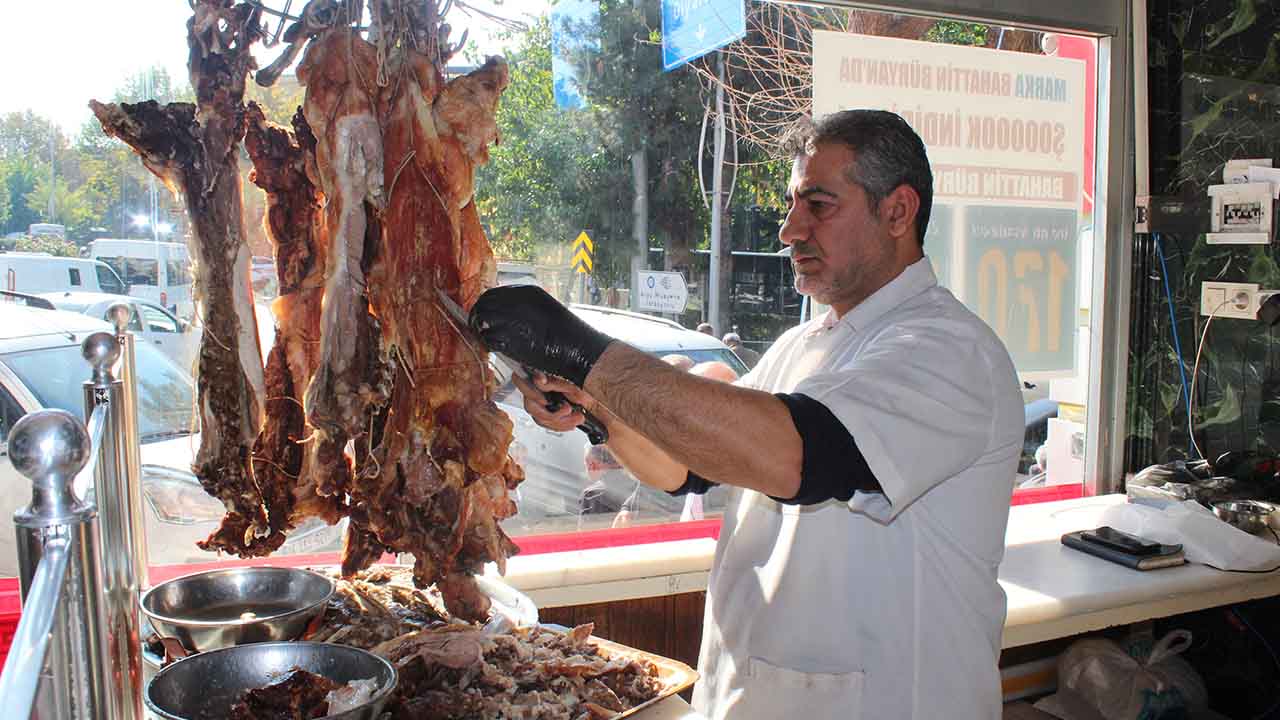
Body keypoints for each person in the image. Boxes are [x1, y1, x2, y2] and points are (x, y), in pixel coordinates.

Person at [471, 109, 1022, 719]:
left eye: (818, 204)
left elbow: (798, 456)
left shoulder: (948, 349)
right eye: (792, 204)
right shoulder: (804, 344)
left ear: (897, 211)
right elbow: (691, 466)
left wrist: (586, 351)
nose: (789, 229)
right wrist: (594, 404)